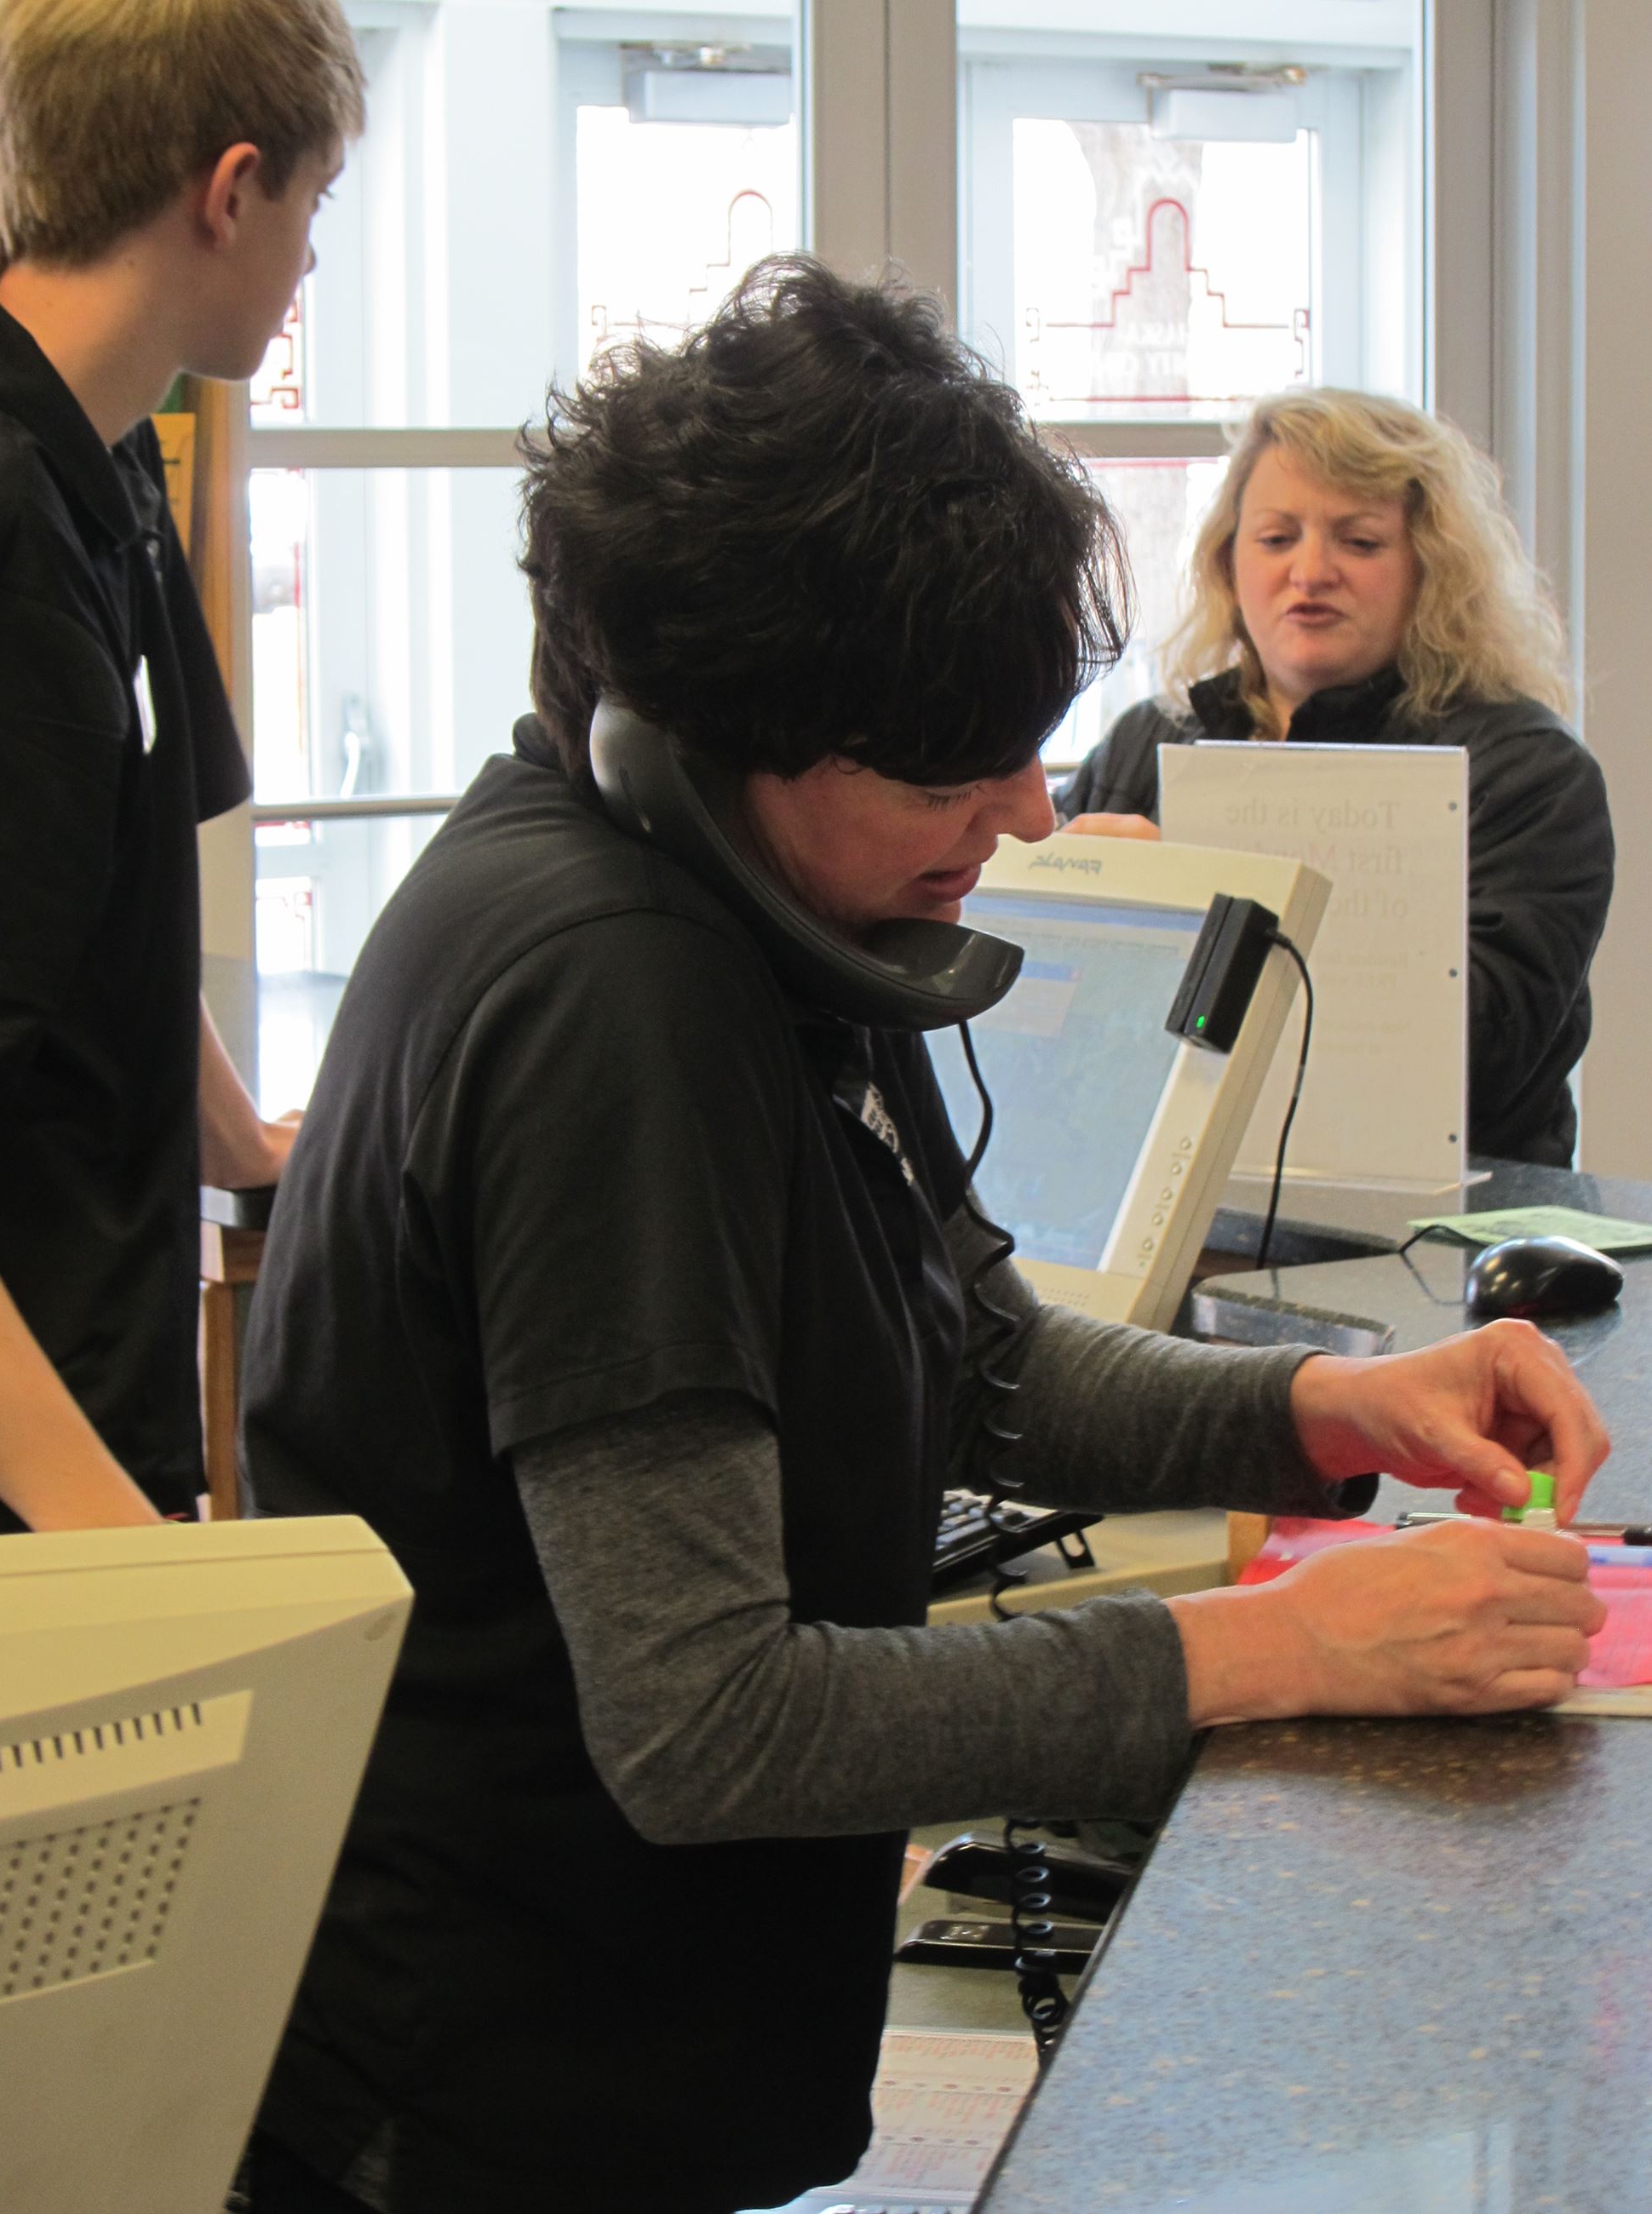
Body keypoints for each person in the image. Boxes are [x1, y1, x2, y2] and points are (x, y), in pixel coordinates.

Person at [239, 262, 1609, 2214]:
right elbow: (708, 1719)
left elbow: (971, 1350)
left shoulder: (762, 907)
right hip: (485, 2092)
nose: (1029, 811)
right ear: (731, 733)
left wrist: (1323, 1405)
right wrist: (1272, 1646)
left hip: (627, 2049)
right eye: (953, 767)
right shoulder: (610, 1003)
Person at [0, 0, 364, 1531]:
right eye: (313, 205)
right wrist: (118, 1543)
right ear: (230, 190)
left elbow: (113, 908)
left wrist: (242, 1134)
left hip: (107, 1370)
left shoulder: (118, 457)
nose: (310, 261)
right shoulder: (7, 540)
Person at [1058, 387, 1614, 1167]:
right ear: (1228, 561)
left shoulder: (1530, 772)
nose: (1311, 572)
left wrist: (1177, 936)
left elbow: (1477, 1058)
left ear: (1430, 568)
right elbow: (1044, 1015)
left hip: (1431, 1221)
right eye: (1277, 537)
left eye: (1359, 542)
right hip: (1158, 1194)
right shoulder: (1143, 743)